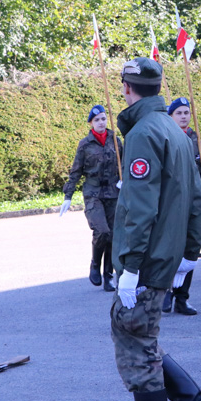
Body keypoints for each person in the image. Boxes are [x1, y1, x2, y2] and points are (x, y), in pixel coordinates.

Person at [111, 57, 201, 401]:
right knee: (143, 337)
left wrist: (130, 266)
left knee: (136, 345)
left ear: (127, 89)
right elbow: (196, 198)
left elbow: (140, 210)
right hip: (164, 257)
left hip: (147, 260)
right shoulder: (176, 131)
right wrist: (189, 252)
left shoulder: (143, 133)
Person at [61, 104, 123, 292]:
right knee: (102, 231)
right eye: (97, 120)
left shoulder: (115, 140)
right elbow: (76, 171)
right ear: (91, 123)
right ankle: (95, 264)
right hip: (93, 193)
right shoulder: (85, 144)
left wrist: (124, 180)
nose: (101, 122)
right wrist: (68, 196)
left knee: (112, 235)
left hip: (113, 192)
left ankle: (108, 276)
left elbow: (125, 163)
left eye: (104, 118)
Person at [164, 97, 201, 316]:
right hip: (172, 200)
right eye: (179, 113)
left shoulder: (196, 140)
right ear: (170, 116)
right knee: (171, 248)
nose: (183, 116)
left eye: (186, 112)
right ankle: (166, 292)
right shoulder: (165, 138)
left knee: (191, 248)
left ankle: (182, 297)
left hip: (193, 199)